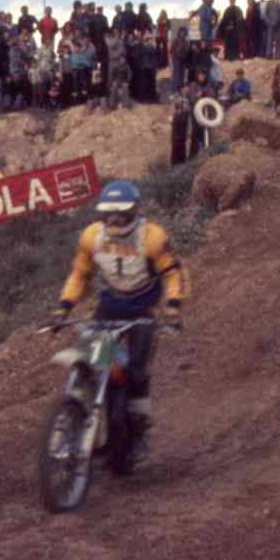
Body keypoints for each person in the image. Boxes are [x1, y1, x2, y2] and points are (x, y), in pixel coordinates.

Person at [49, 181, 185, 462]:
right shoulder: (92, 236)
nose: (114, 218)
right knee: (94, 365)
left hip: (142, 310)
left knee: (136, 373)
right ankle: (86, 430)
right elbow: (79, 274)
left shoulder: (152, 237)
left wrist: (172, 307)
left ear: (134, 210)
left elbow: (173, 273)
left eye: (121, 212)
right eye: (108, 212)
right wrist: (64, 307)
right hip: (109, 307)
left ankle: (139, 433)